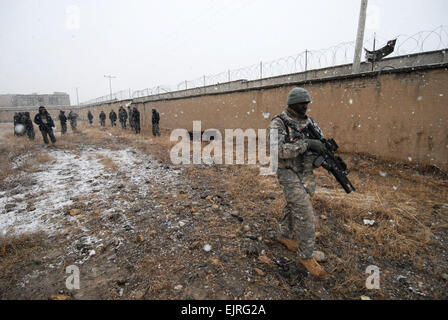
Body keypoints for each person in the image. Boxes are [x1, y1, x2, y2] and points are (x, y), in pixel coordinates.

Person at [268, 87, 329, 279]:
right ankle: (306, 256)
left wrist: (322, 149)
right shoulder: (279, 123)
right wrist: (306, 144)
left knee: (295, 204)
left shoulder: (309, 122)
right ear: (292, 103)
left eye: (307, 103)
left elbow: (320, 139)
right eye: (302, 103)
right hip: (287, 171)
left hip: (306, 171)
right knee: (304, 211)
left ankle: (284, 235)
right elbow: (278, 151)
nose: (306, 106)